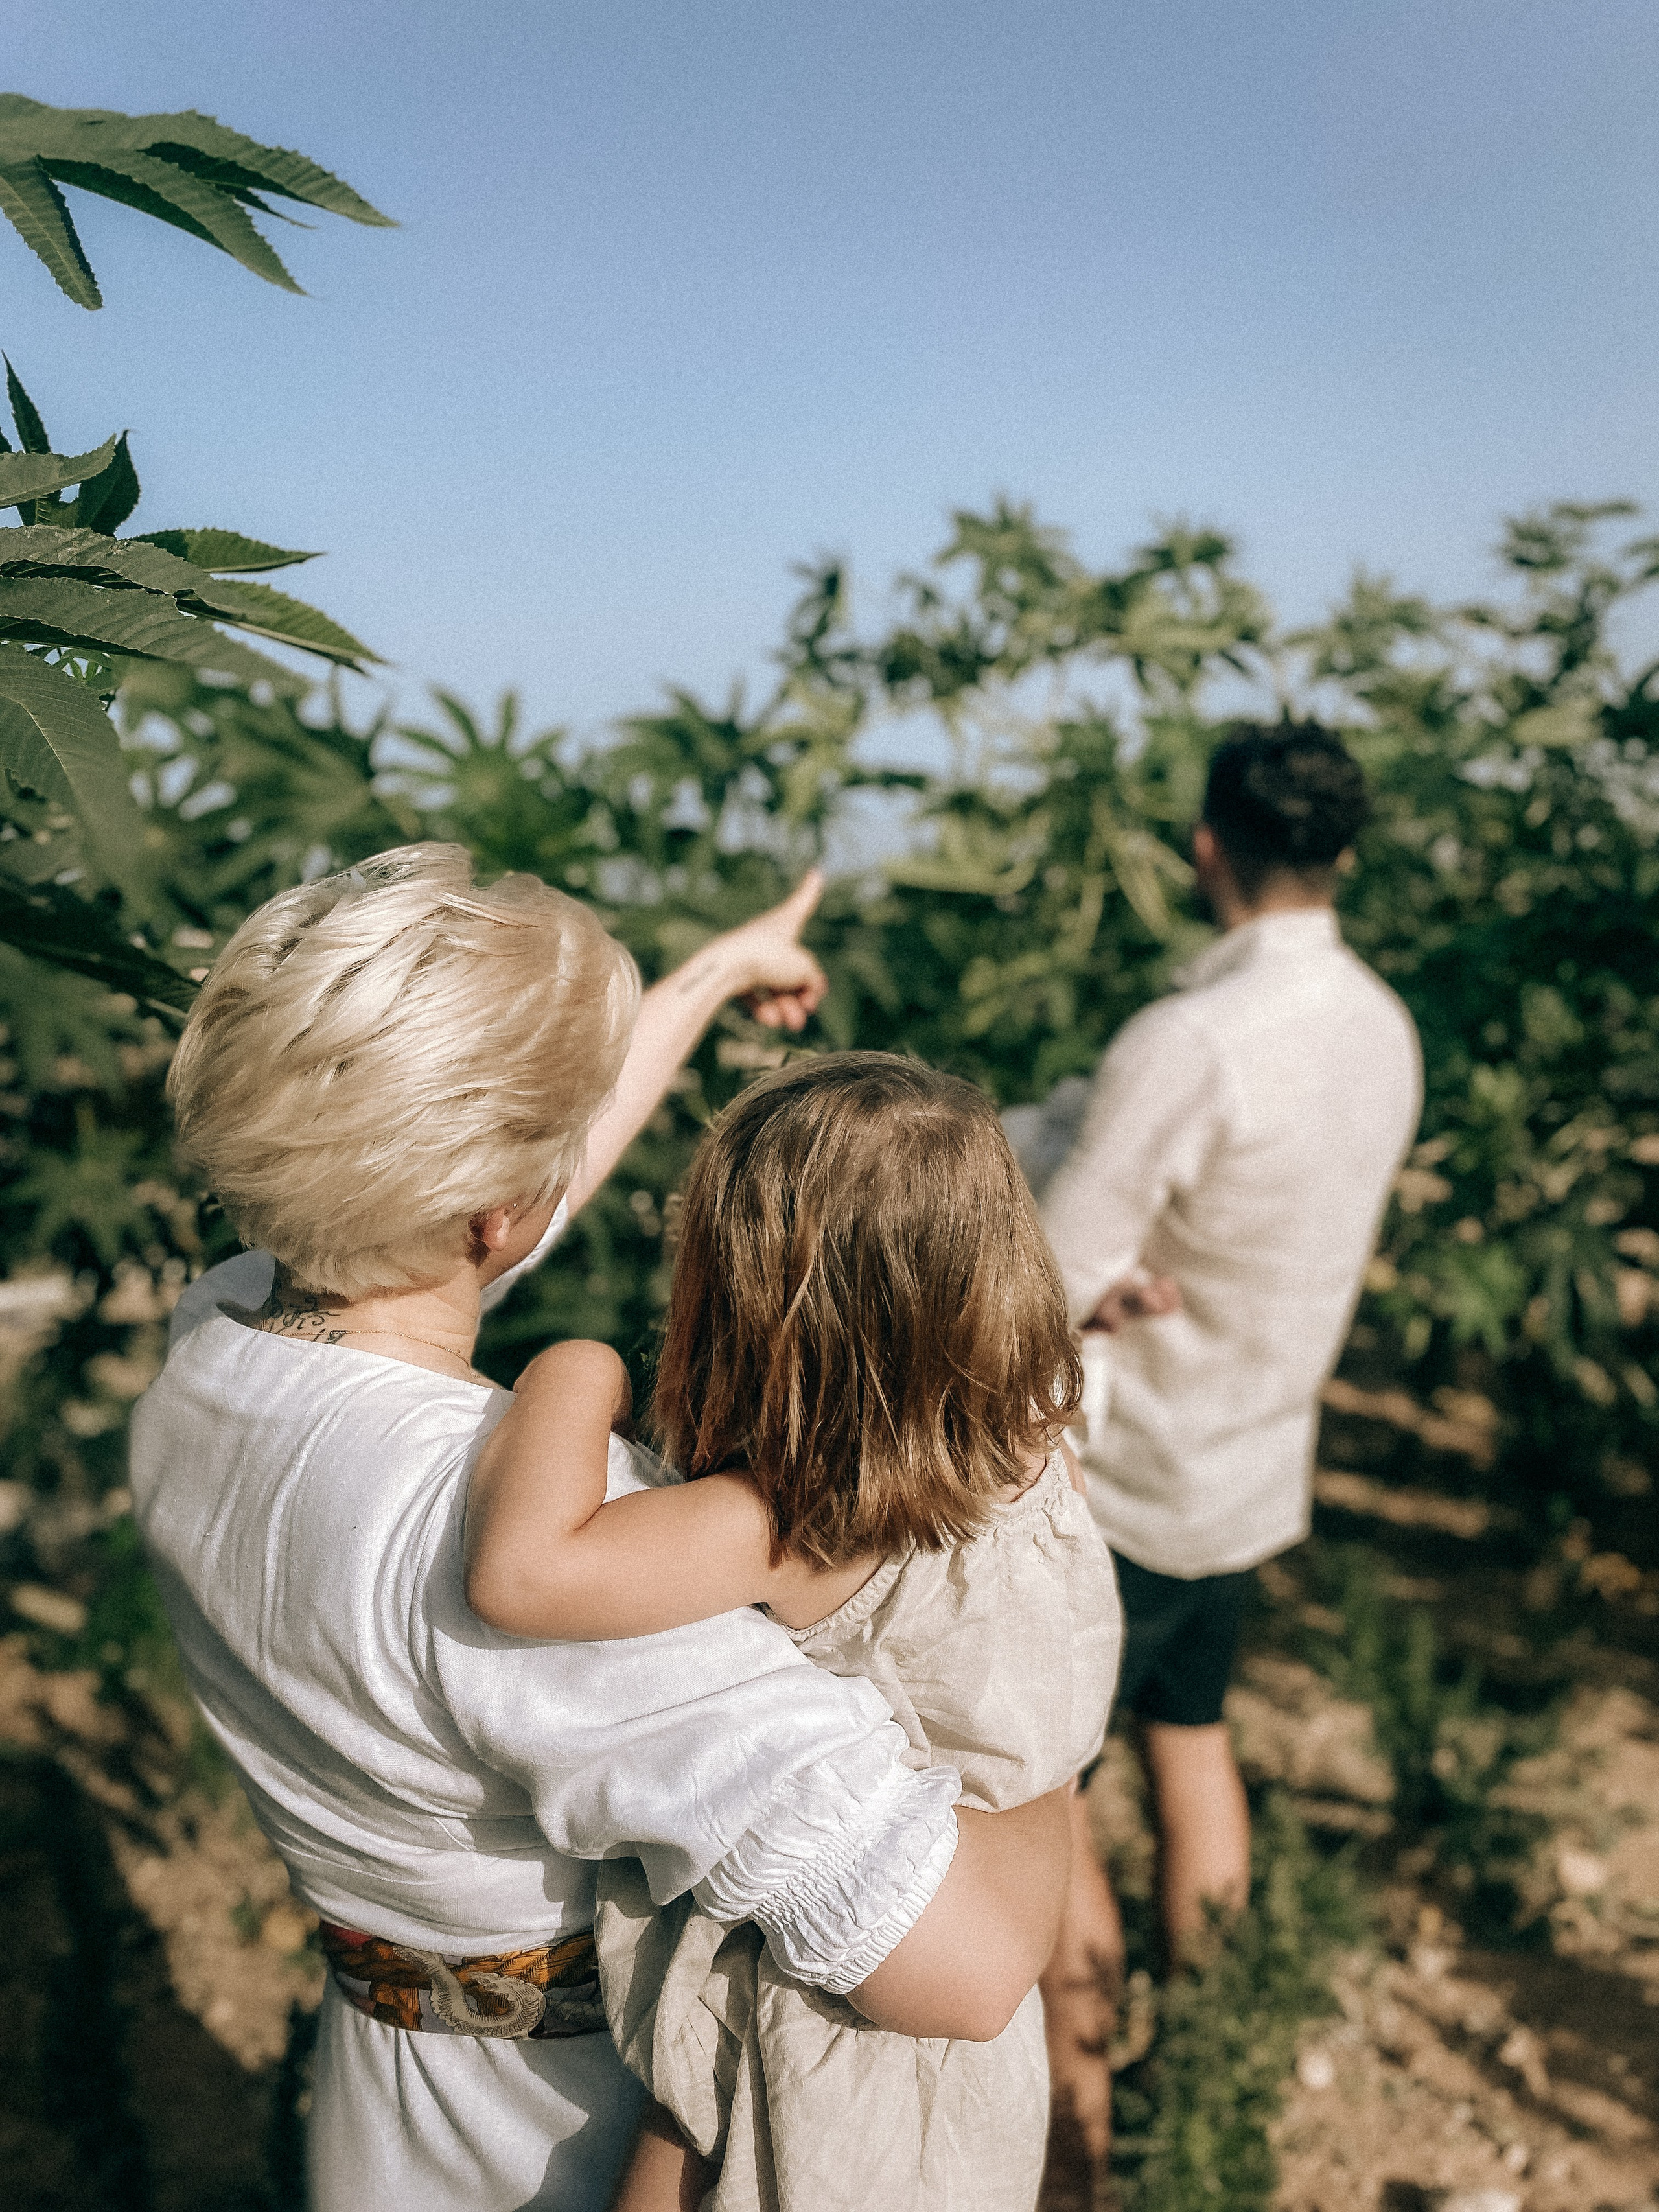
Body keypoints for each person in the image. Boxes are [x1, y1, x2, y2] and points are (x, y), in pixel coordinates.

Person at [128, 846, 1076, 2212]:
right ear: (495, 1210)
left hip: (381, 2096)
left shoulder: (210, 1356)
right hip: (571, 2128)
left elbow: (465, 1213)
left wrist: (712, 975)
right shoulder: (549, 1552)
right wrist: (1043, 1724)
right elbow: (970, 1966)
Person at [462, 1053, 1122, 2212]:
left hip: (838, 2042)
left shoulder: (802, 1521)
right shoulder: (1028, 1452)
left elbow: (525, 1572)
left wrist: (572, 1367)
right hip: (967, 2057)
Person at [1031, 723, 1423, 2163]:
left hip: (1122, 1484)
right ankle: (1195, 2087)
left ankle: (1074, 2156)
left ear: (1206, 847)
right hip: (1251, 1462)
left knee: (1045, 1805)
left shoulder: (1190, 1038)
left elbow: (1056, 1261)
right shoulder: (1381, 1025)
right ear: (1344, 853)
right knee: (1193, 1747)